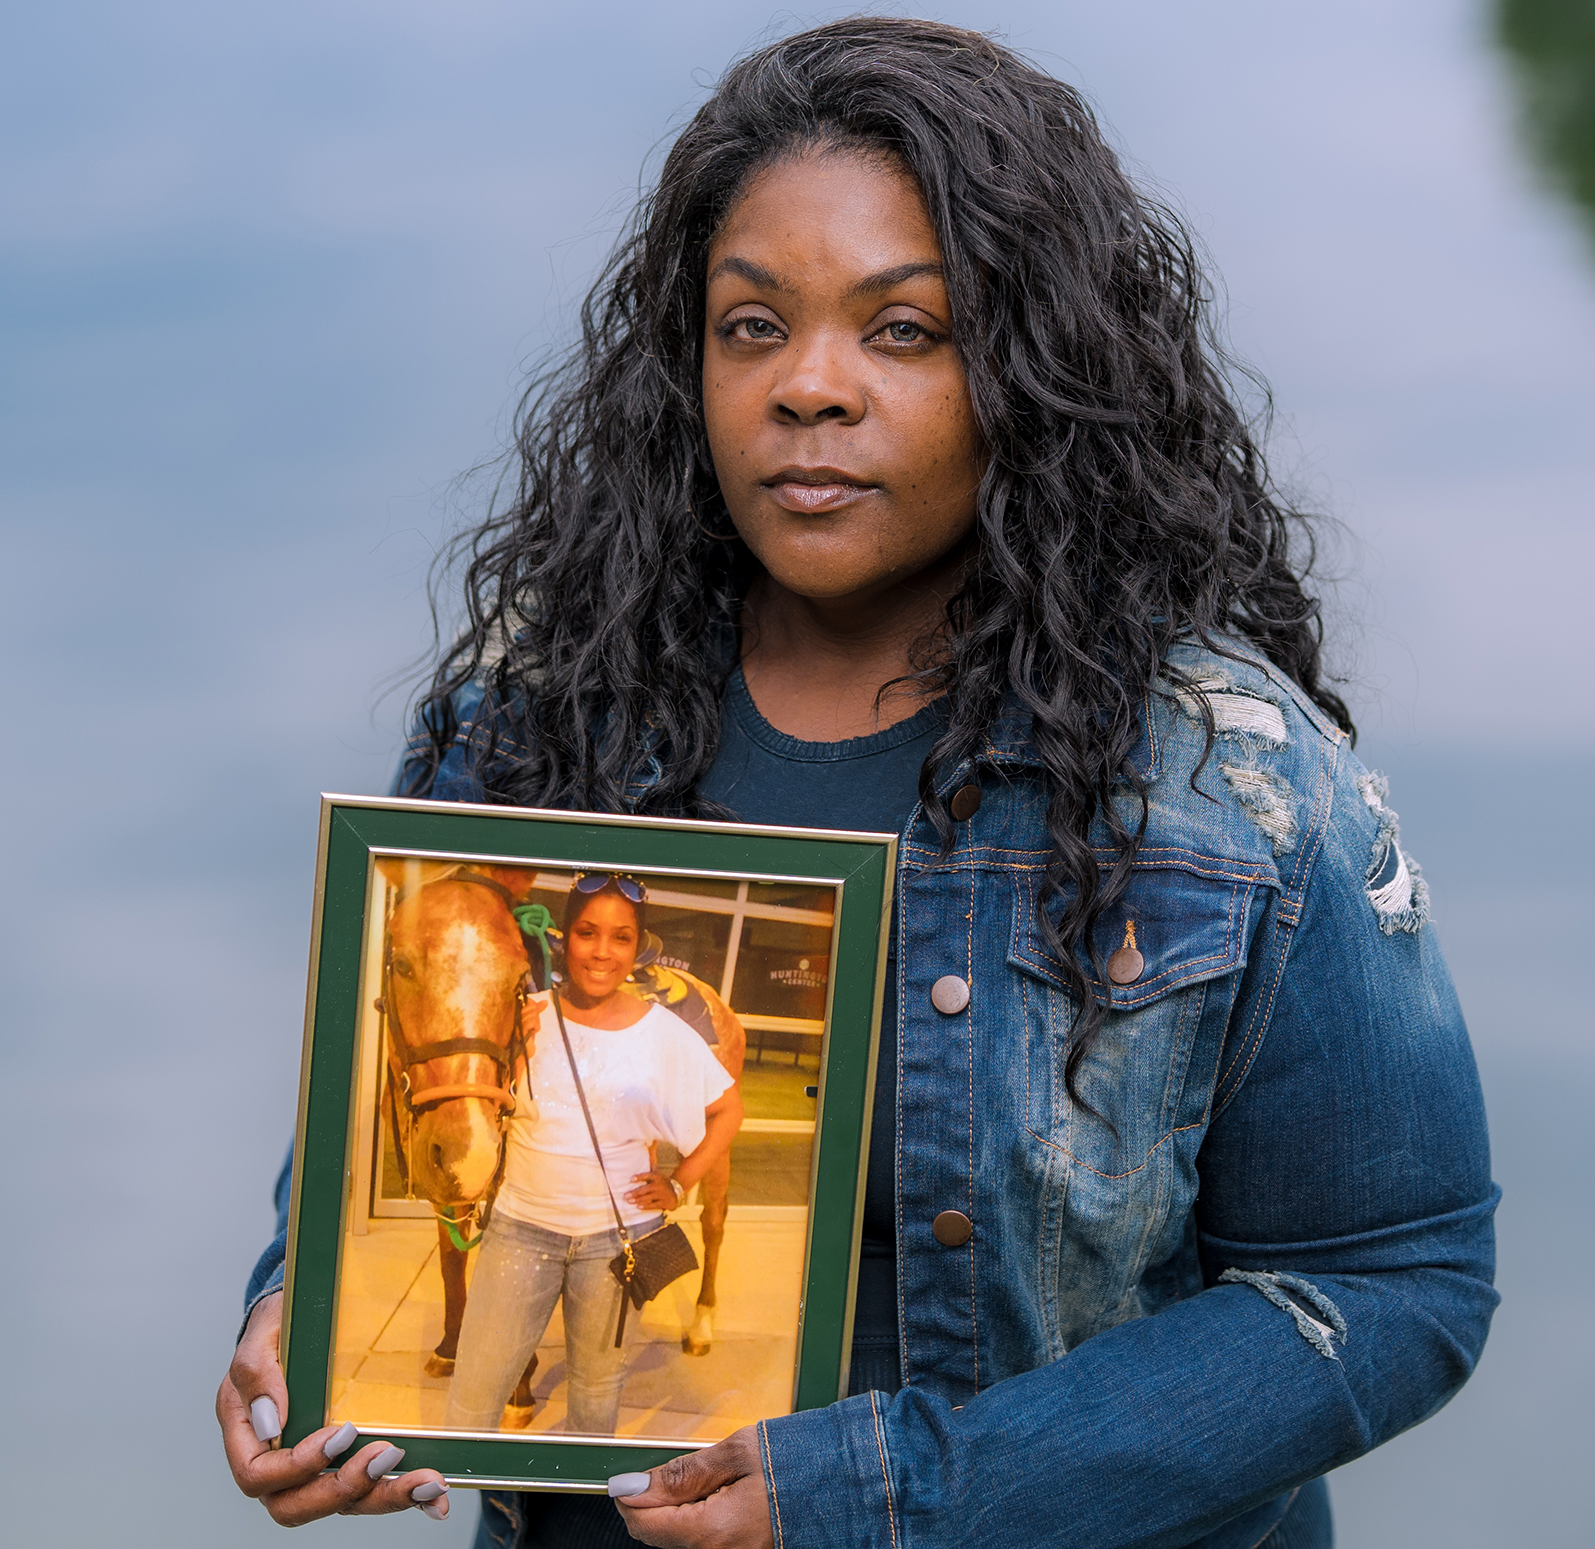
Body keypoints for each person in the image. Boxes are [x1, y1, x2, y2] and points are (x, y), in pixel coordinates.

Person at [215, 18, 1496, 1547]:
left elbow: (1390, 1286)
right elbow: (395, 1129)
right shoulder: (538, 726)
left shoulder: (1232, 787)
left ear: (1032, 367)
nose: (808, 388)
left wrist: (887, 1488)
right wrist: (296, 1316)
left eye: (904, 330)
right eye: (752, 325)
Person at [444, 874, 744, 1435]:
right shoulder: (522, 1015)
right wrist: (513, 1049)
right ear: (565, 939)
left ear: (637, 947)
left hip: (615, 1243)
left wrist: (681, 1183)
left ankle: (577, 1511)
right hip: (520, 1231)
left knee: (595, 1395)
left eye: (620, 937)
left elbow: (729, 1111)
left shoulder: (665, 1033)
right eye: (588, 933)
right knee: (474, 1393)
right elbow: (478, 1112)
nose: (602, 952)